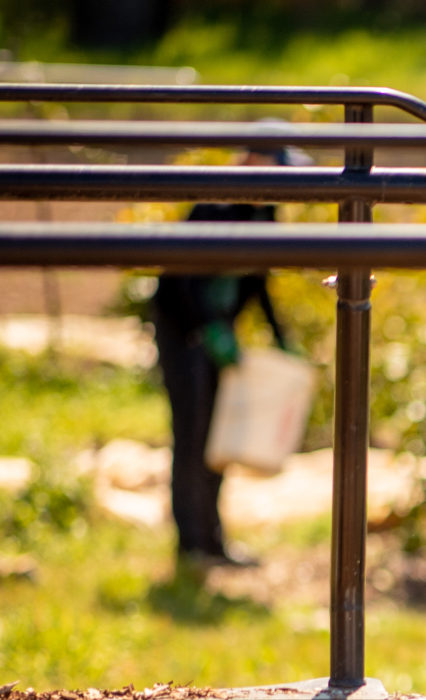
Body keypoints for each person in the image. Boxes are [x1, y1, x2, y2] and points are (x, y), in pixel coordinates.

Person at [150, 142, 300, 570]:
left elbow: (260, 280)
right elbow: (184, 279)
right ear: (253, 160)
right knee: (191, 434)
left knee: (219, 436)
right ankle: (190, 544)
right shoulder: (213, 207)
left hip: (220, 333)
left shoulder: (265, 212)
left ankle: (215, 541)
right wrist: (209, 326)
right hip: (183, 330)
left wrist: (279, 337)